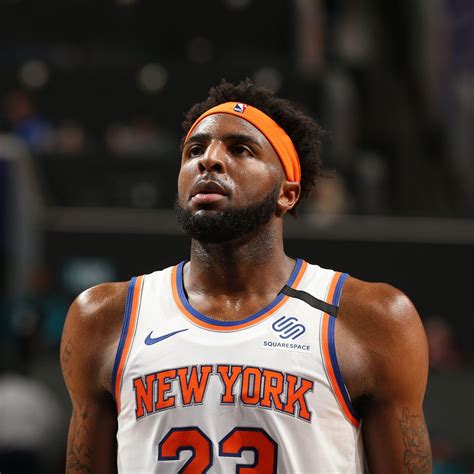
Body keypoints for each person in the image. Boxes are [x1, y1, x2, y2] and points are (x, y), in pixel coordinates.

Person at [60, 80, 432, 473]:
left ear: (287, 193)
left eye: (240, 149)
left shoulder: (372, 318)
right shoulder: (104, 316)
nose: (209, 160)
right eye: (194, 150)